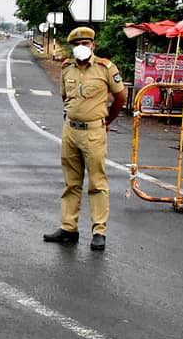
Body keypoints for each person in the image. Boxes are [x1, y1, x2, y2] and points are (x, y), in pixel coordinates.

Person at [43, 27, 126, 251]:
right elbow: (64, 96)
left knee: (97, 183)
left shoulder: (105, 68)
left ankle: (99, 231)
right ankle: (69, 228)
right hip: (70, 131)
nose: (81, 48)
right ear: (73, 47)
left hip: (94, 132)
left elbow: (120, 97)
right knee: (71, 182)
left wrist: (107, 121)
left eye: (86, 44)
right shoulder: (67, 68)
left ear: (93, 46)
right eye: (77, 45)